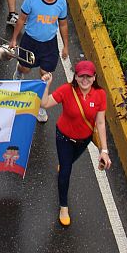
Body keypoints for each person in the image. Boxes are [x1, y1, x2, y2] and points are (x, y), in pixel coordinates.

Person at [40, 60, 112, 226]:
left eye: (88, 76)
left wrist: (104, 150)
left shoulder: (100, 95)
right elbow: (45, 103)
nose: (85, 80)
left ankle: (64, 164)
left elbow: (100, 123)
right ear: (76, 77)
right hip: (63, 138)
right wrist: (46, 85)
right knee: (66, 171)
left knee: (69, 162)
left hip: (84, 140)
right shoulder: (66, 90)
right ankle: (63, 206)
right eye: (81, 76)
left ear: (94, 78)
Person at [9, 0, 69, 122]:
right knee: (26, 69)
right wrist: (14, 39)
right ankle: (19, 70)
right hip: (30, 41)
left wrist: (66, 46)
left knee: (45, 75)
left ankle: (41, 105)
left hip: (49, 44)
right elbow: (22, 19)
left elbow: (63, 24)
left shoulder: (62, 3)